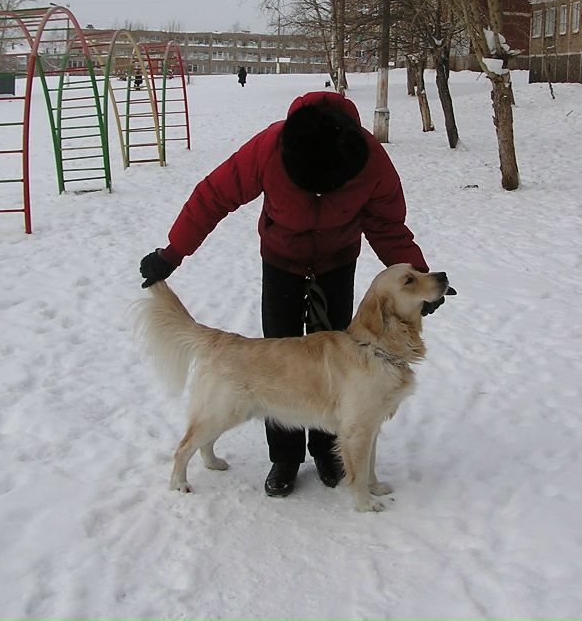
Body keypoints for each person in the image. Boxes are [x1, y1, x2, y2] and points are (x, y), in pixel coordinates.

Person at [139, 90, 441, 498]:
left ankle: (328, 452)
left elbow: (388, 226)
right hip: (282, 261)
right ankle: (284, 457)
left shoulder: (371, 161)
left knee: (337, 369)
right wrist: (171, 253)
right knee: (274, 364)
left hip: (336, 262)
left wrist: (421, 281)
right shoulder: (270, 147)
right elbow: (213, 196)